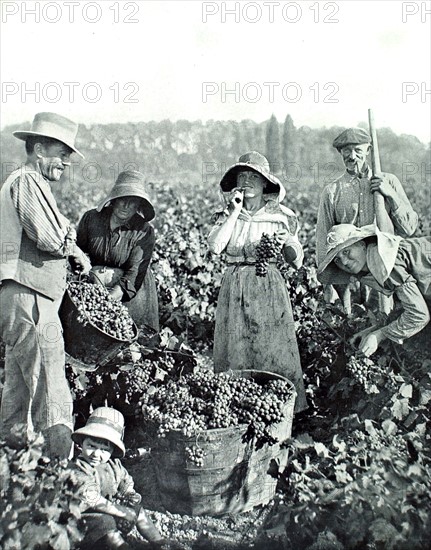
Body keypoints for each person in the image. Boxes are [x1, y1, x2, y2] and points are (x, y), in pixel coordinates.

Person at [0, 112, 91, 459]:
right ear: (38, 149)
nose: (66, 162)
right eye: (61, 153)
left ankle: (16, 467)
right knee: (51, 385)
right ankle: (59, 473)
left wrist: (71, 241)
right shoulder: (27, 182)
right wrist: (72, 242)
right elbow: (50, 236)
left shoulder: (32, 184)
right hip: (30, 296)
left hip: (21, 295)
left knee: (20, 391)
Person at [208, 151, 307, 413]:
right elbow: (217, 247)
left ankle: (282, 410)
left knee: (271, 347)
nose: (247, 181)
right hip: (234, 287)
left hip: (267, 287)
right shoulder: (226, 216)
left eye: (254, 176)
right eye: (242, 176)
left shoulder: (280, 216)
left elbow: (296, 258)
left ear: (266, 184)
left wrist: (289, 246)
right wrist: (235, 210)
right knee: (236, 350)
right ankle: (238, 408)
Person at [316, 127, 418, 308]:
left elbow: (409, 228)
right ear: (340, 153)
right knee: (356, 330)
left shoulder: (389, 181)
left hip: (392, 273)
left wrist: (390, 195)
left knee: (390, 326)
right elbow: (325, 245)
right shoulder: (332, 192)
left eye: (357, 150)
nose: (352, 156)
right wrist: (339, 296)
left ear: (369, 150)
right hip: (353, 278)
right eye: (346, 150)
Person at [317, 223, 431, 357]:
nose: (345, 262)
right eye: (337, 260)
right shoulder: (372, 264)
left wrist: (379, 335)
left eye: (346, 252)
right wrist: (372, 331)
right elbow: (407, 305)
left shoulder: (385, 261)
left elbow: (419, 315)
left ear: (362, 245)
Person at [70, 407, 168, 549]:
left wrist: (130, 496)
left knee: (138, 511)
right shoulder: (77, 468)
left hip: (112, 511)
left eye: (104, 449)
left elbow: (126, 482)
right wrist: (121, 511)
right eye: (91, 446)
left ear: (112, 451)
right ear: (82, 443)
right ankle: (121, 547)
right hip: (84, 520)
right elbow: (91, 498)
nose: (96, 454)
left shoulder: (113, 465)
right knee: (105, 522)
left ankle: (159, 542)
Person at [76, 170, 159, 331]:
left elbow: (133, 274)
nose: (126, 206)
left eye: (132, 201)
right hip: (93, 285)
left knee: (126, 339)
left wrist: (105, 304)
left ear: (138, 206)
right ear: (113, 200)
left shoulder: (143, 231)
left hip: (128, 293)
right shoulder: (91, 219)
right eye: (122, 199)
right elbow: (78, 254)